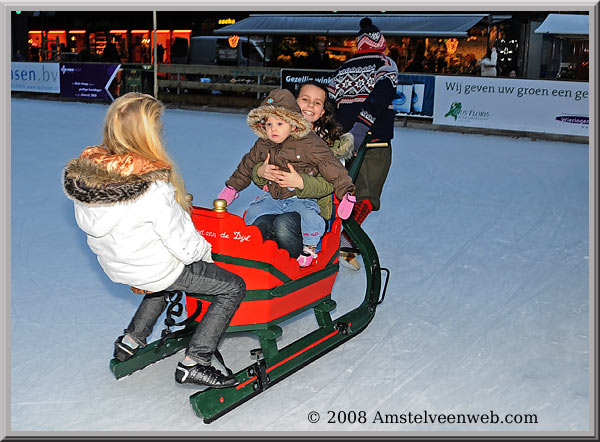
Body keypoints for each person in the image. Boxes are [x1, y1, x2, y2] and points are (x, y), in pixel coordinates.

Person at [63, 92, 245, 389]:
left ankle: (130, 340)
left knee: (162, 283)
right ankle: (196, 362)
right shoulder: (152, 188)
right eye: (157, 125)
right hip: (152, 267)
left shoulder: (90, 178)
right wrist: (207, 256)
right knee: (232, 287)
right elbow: (183, 245)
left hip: (119, 266)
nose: (161, 131)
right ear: (146, 133)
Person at [217, 88, 356, 267]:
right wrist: (249, 178)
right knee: (257, 218)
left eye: (317, 102)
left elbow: (332, 173)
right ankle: (259, 256)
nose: (273, 129)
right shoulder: (268, 141)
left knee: (286, 223)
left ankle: (308, 248)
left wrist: (304, 183)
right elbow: (248, 164)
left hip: (305, 199)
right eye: (305, 99)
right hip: (276, 197)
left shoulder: (317, 142)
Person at [328, 17, 398, 268]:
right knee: (367, 195)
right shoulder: (385, 63)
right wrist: (362, 126)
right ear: (381, 45)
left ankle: (340, 244)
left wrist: (337, 135)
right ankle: (344, 241)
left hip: (343, 144)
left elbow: (330, 105)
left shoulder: (342, 69)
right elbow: (383, 94)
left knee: (345, 193)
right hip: (374, 140)